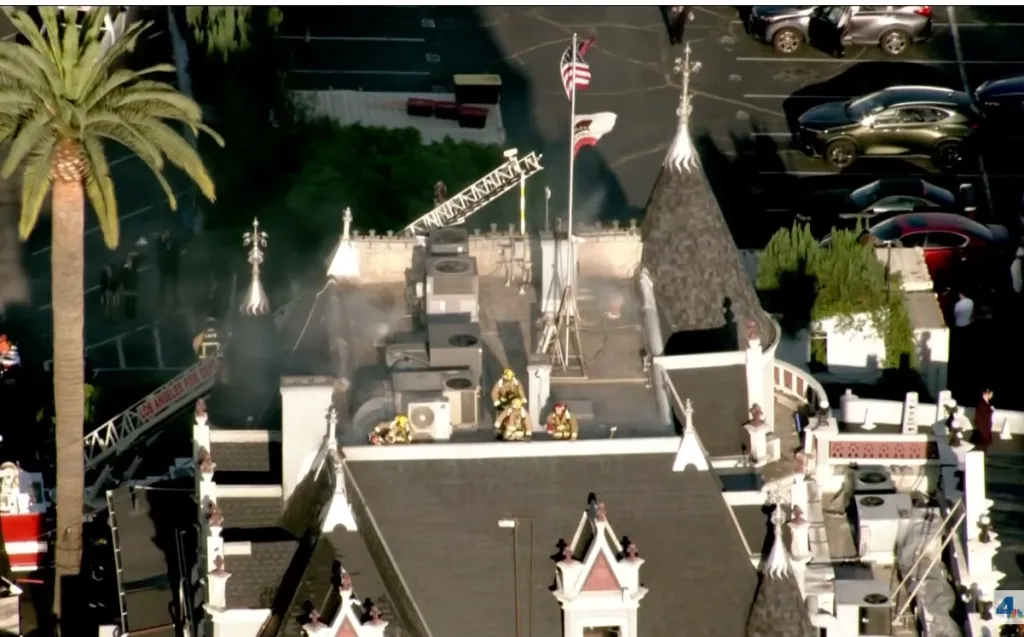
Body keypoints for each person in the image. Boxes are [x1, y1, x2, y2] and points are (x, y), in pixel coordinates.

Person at [121, 253, 139, 319]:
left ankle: (132, 313)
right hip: (128, 288)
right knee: (128, 301)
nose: (129, 263)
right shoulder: (125, 269)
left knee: (133, 301)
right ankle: (128, 313)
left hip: (132, 287)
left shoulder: (133, 267)